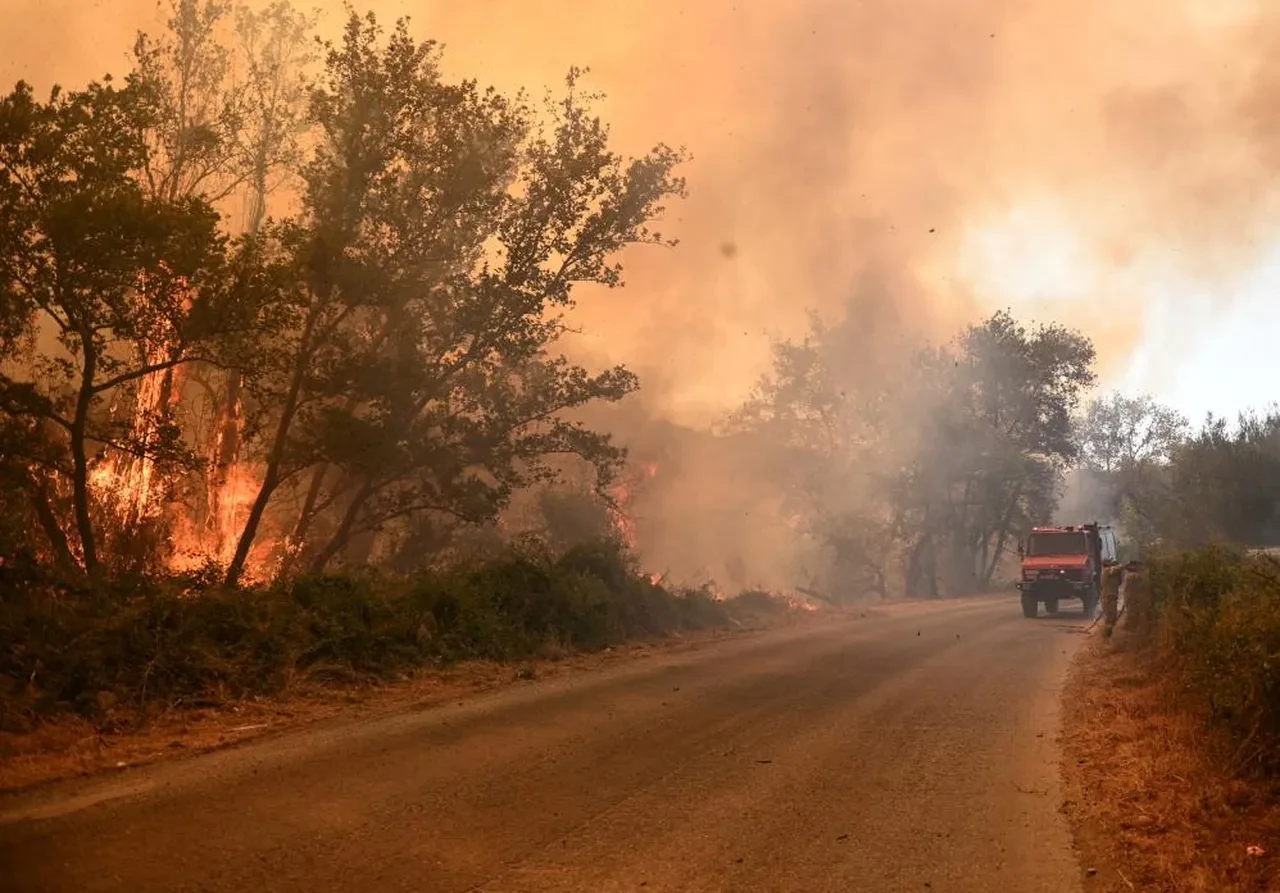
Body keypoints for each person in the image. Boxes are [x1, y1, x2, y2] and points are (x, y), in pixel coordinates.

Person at [1100, 564, 1125, 638]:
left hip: (1112, 597)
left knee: (1113, 617)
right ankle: (1106, 637)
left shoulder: (1112, 575)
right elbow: (1114, 569)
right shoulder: (1106, 571)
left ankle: (1110, 635)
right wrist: (1123, 565)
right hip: (1108, 598)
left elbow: (1119, 582)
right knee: (1109, 618)